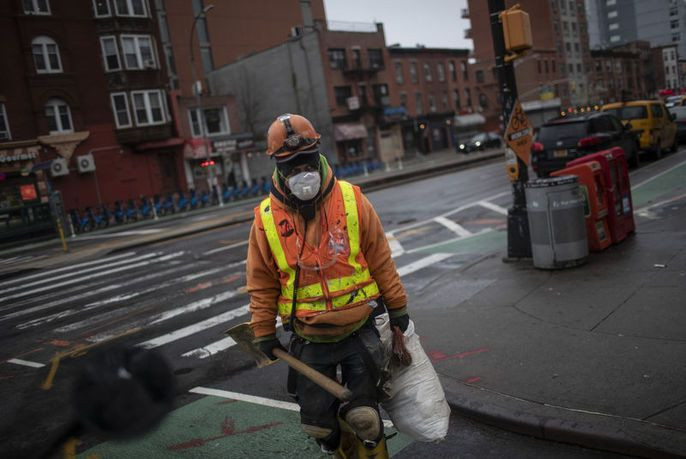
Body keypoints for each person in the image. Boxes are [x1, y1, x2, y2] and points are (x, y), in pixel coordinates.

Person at [246, 114, 409, 456]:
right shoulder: (265, 219)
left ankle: (369, 444)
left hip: (358, 330)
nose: (301, 171)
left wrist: (397, 308)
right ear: (278, 165)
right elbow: (261, 281)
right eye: (291, 164)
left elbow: (380, 257)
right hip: (308, 337)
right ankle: (336, 444)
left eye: (306, 161)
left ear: (319, 153)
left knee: (366, 417)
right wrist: (262, 331)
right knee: (318, 425)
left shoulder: (351, 200)